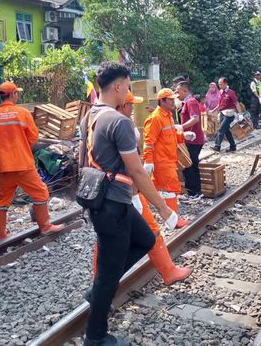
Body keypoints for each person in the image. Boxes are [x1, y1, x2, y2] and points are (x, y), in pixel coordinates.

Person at [79, 62, 176, 346]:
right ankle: (95, 337)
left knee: (145, 239)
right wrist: (162, 206)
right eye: (129, 86)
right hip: (113, 205)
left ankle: (98, 291)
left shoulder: (90, 117)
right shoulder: (119, 121)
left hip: (101, 200)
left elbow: (84, 159)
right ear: (119, 86)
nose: (129, 93)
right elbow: (136, 171)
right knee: (108, 276)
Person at [90, 90, 191, 287]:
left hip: (118, 191)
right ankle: (100, 285)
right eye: (131, 105)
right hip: (125, 191)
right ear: (122, 105)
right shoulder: (121, 125)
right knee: (119, 238)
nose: (133, 109)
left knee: (115, 236)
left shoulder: (98, 120)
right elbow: (134, 166)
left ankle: (168, 271)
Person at [0, 81, 63, 240]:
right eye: (17, 93)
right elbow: (33, 137)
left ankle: (2, 236)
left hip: (5, 167)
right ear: (13, 94)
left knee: (3, 199)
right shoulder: (22, 113)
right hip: (23, 165)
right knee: (40, 193)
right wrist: (22, 145)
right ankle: (45, 227)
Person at [143, 88, 196, 229]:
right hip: (162, 162)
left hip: (167, 160)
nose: (174, 102)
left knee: (150, 190)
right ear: (162, 101)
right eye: (171, 99)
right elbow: (148, 142)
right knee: (171, 190)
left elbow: (171, 136)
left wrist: (183, 136)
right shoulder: (155, 118)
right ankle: (174, 220)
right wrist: (148, 161)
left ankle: (143, 216)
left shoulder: (168, 116)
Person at [176, 81, 205, 200]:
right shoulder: (186, 102)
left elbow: (195, 118)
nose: (177, 94)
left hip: (193, 139)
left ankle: (194, 192)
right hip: (191, 138)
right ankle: (194, 191)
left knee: (190, 164)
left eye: (178, 91)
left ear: (185, 91)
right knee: (191, 163)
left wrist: (182, 127)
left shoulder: (191, 101)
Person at [213, 77, 241, 152]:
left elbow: (236, 103)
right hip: (222, 113)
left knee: (221, 129)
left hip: (229, 114)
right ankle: (233, 146)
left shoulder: (231, 92)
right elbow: (219, 104)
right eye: (219, 84)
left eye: (221, 84)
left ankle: (217, 146)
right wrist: (214, 110)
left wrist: (240, 114)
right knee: (226, 131)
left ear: (225, 83)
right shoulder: (220, 92)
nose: (219, 85)